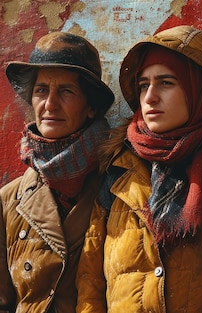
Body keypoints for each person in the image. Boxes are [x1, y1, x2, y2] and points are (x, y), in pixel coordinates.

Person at [75, 26, 202, 312]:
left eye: (166, 83)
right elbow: (90, 281)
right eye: (144, 85)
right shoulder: (118, 169)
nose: (150, 97)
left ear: (198, 89)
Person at [0, 32, 114, 313]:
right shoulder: (8, 200)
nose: (50, 104)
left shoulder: (118, 186)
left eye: (66, 91)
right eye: (41, 91)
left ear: (90, 108)